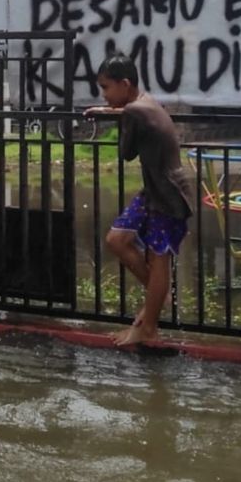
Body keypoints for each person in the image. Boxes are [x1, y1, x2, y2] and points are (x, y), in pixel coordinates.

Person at [84, 54, 194, 346]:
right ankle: (158, 295)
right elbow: (132, 113)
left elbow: (126, 153)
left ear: (124, 84)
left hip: (168, 195)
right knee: (117, 239)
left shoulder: (135, 111)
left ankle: (148, 330)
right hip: (155, 191)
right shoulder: (144, 102)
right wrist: (109, 111)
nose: (104, 95)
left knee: (159, 259)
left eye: (106, 88)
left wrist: (117, 117)